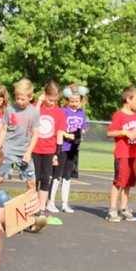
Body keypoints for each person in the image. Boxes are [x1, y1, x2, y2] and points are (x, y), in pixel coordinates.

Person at [0, 79, 43, 228]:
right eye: (17, 97)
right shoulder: (10, 109)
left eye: (22, 99)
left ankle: (33, 215)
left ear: (30, 97)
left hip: (24, 152)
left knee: (31, 183)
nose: (19, 101)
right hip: (8, 149)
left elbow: (35, 134)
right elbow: (4, 130)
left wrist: (29, 152)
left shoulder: (34, 112)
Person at [107, 86, 136, 222]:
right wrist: (125, 132)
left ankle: (123, 208)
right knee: (119, 181)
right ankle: (112, 209)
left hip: (134, 154)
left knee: (128, 182)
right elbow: (110, 132)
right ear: (128, 99)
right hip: (122, 153)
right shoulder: (119, 115)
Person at [50, 83, 88, 213]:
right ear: (67, 100)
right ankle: (51, 202)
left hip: (74, 148)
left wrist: (80, 132)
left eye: (77, 101)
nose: (74, 104)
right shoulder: (63, 111)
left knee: (67, 175)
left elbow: (84, 128)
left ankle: (64, 203)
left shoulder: (81, 113)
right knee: (57, 174)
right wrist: (67, 134)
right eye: (72, 101)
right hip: (63, 147)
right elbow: (59, 128)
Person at [34, 81, 67, 224]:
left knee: (45, 179)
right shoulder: (37, 107)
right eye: (50, 99)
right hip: (34, 148)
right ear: (44, 95)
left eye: (55, 100)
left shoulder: (59, 112)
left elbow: (59, 133)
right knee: (33, 179)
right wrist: (39, 102)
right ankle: (32, 208)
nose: (52, 103)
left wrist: (57, 153)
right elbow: (32, 119)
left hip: (49, 150)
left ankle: (42, 208)